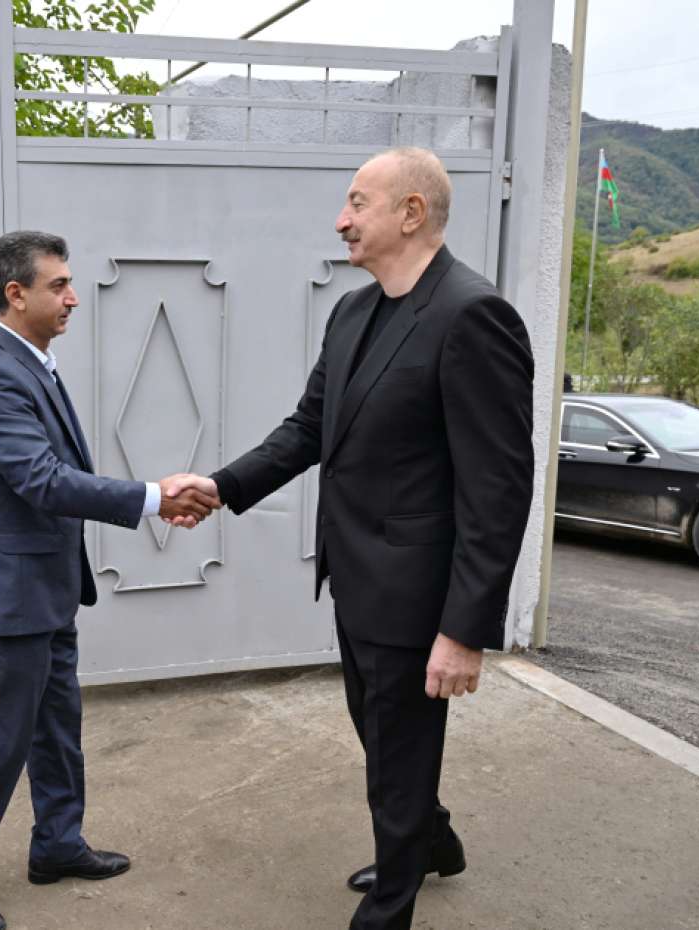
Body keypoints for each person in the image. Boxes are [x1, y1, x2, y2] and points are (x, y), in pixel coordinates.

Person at [169, 147, 534, 930]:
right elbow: (309, 428)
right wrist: (223, 486)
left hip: (418, 592)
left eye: (358, 203)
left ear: (412, 212)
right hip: (358, 577)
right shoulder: (353, 311)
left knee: (397, 749)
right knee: (382, 733)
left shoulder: (473, 315)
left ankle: (390, 904)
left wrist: (464, 629)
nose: (341, 220)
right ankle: (430, 839)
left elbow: (498, 490)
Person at [0, 230, 216, 930]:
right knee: (1, 741)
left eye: (70, 283)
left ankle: (56, 843)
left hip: (44, 589)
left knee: (56, 728)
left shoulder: (33, 365)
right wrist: (153, 497)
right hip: (8, 597)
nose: (73, 297)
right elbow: (43, 481)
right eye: (59, 285)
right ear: (16, 294)